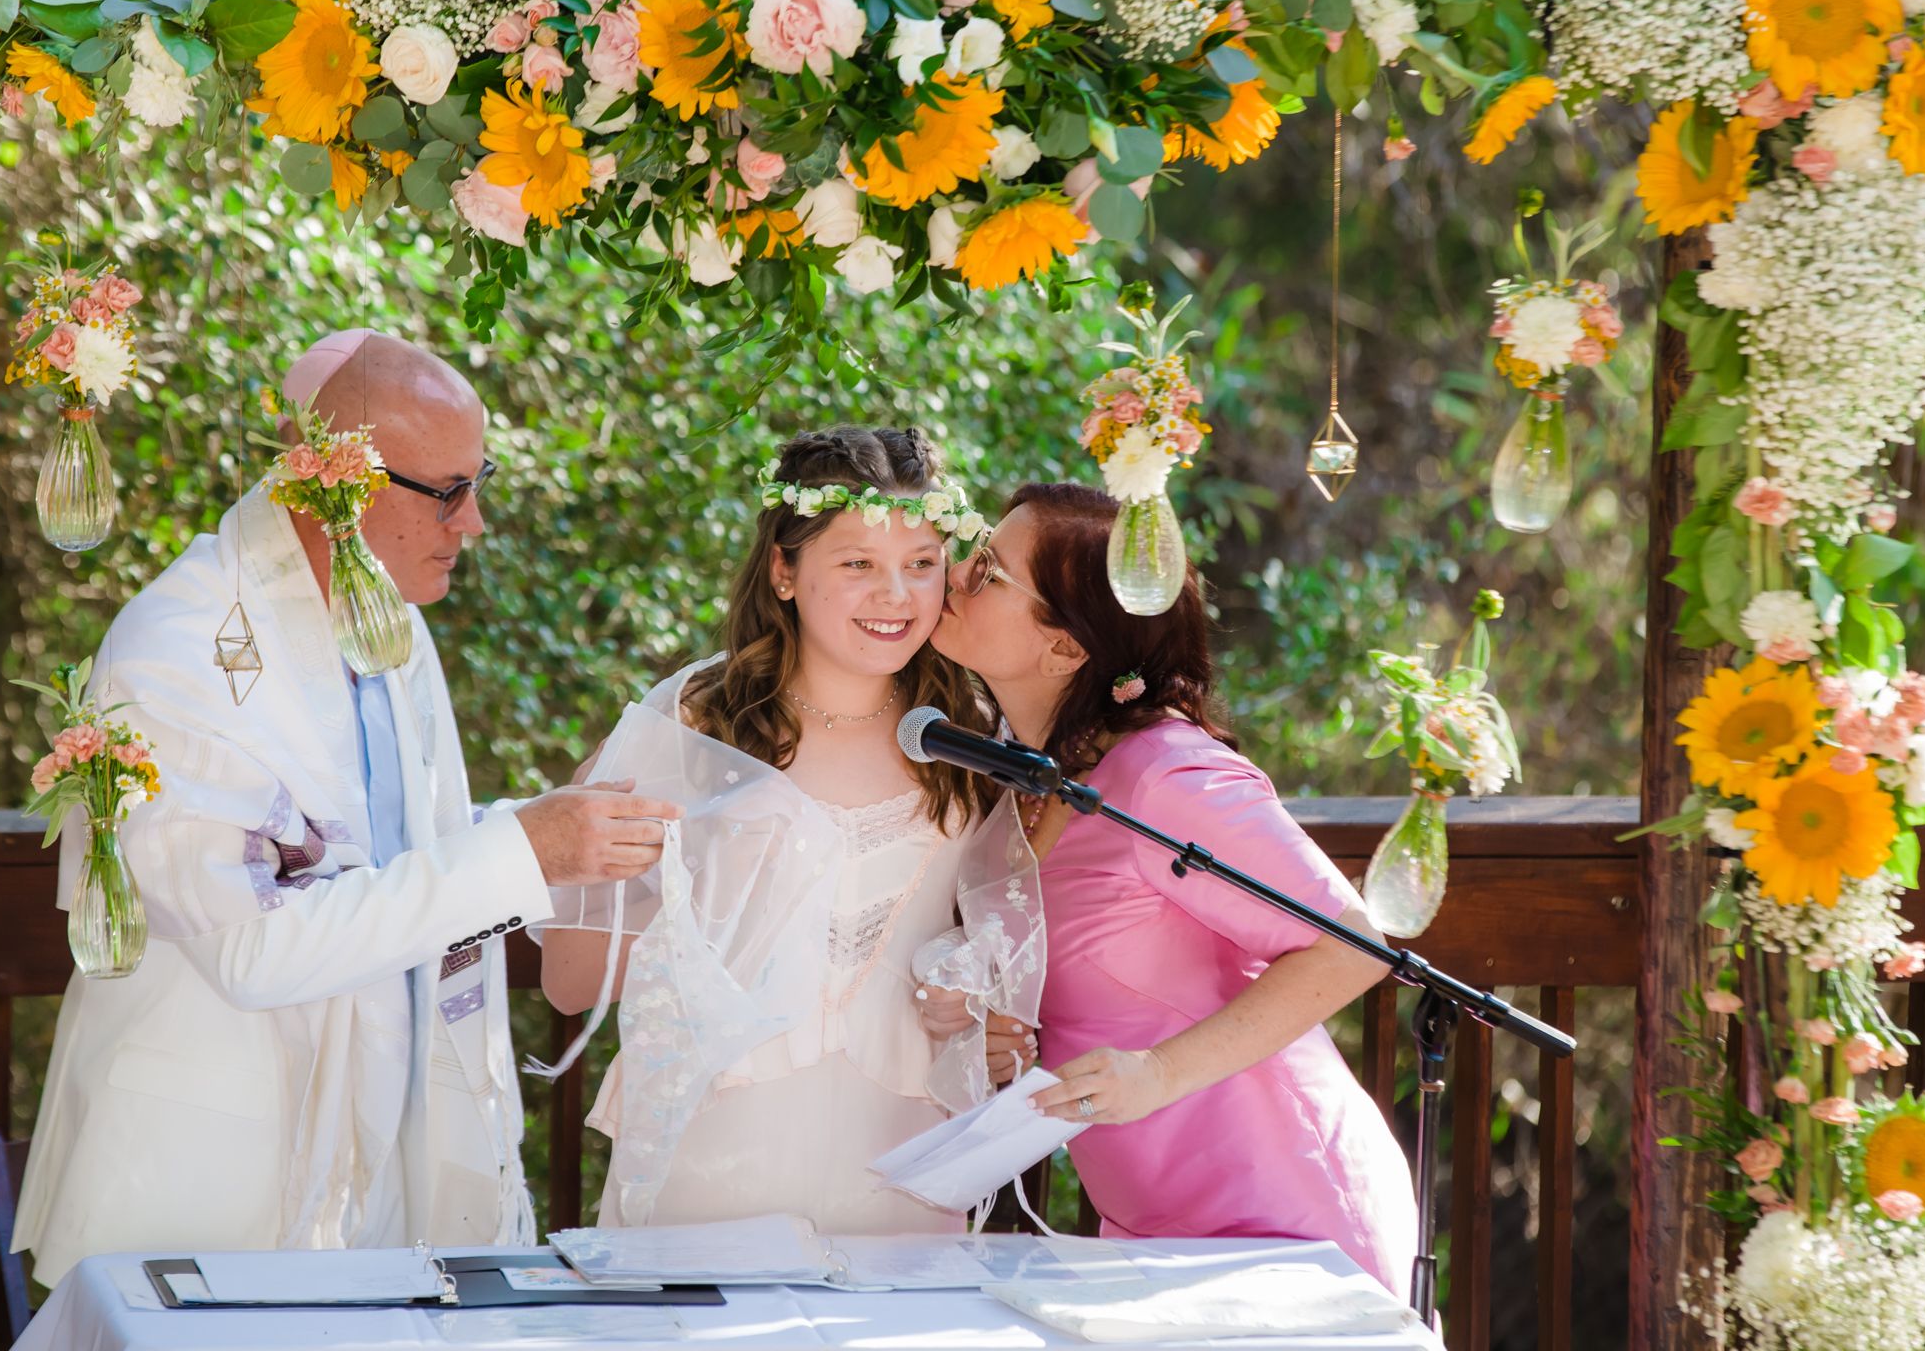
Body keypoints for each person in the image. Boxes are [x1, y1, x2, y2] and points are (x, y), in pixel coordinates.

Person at [12, 331, 677, 1286]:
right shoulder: (178, 646)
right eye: (449, 490)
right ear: (341, 481)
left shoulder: (390, 619)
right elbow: (253, 947)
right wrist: (519, 852)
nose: (474, 522)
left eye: (476, 481)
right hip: (214, 1183)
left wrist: (572, 841)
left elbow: (401, 854)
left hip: (387, 1165)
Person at [923, 481, 1417, 1293]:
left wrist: (1156, 1074)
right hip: (1151, 1222)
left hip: (1282, 1212)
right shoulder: (1028, 781)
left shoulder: (1168, 774)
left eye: (987, 573)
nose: (953, 575)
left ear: (1067, 648)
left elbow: (1354, 945)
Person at [536, 425, 1002, 1235]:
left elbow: (1024, 932)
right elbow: (568, 976)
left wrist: (983, 990)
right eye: (857, 564)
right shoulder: (692, 723)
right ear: (785, 571)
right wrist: (709, 900)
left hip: (904, 1163)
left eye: (921, 564)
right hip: (716, 1156)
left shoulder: (972, 732)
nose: (896, 596)